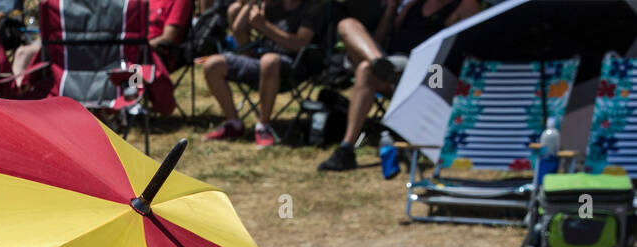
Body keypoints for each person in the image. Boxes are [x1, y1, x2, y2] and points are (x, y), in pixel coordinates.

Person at [318, 0, 479, 171]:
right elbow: (381, 39)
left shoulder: (465, 5)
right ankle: (346, 149)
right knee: (350, 32)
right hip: (395, 66)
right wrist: (390, 10)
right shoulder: (412, 6)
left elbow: (471, 48)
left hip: (434, 71)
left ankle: (418, 135)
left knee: (433, 70)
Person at [199, 0, 318, 147]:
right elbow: (237, 29)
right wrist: (251, 3)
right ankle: (233, 124)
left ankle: (263, 127)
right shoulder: (271, 5)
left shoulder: (312, 8)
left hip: (293, 65)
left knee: (269, 61)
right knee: (212, 64)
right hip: (260, 60)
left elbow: (299, 44)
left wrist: (264, 26)